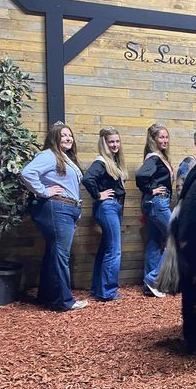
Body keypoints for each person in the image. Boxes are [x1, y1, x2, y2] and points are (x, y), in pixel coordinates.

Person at [21, 121, 87, 312]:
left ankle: (47, 296)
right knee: (60, 255)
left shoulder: (65, 158)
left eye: (70, 136)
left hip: (66, 209)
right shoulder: (49, 155)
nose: (68, 138)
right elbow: (27, 173)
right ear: (54, 138)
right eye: (63, 135)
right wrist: (43, 191)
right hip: (58, 208)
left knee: (53, 253)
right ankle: (63, 301)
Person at [82, 127, 127, 302]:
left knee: (106, 249)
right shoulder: (101, 162)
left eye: (117, 141)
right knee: (114, 250)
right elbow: (88, 179)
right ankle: (108, 292)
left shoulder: (113, 162)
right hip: (107, 207)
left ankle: (98, 288)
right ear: (104, 144)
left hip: (112, 208)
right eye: (111, 142)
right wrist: (98, 194)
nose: (115, 144)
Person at [135, 123, 172, 298]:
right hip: (158, 203)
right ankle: (153, 279)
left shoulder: (159, 157)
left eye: (166, 137)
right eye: (161, 137)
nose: (164, 140)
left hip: (153, 204)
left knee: (153, 242)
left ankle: (150, 285)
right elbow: (141, 175)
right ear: (154, 140)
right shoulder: (154, 158)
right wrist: (151, 190)